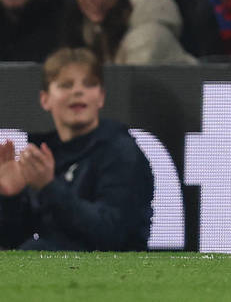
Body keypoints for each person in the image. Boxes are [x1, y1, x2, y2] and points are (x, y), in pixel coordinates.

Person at [0, 47, 153, 251]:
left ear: (101, 97)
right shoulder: (45, 154)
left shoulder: (121, 152)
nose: (78, 91)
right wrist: (12, 197)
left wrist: (49, 187)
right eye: (66, 85)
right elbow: (12, 242)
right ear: (45, 99)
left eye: (89, 84)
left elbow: (112, 234)